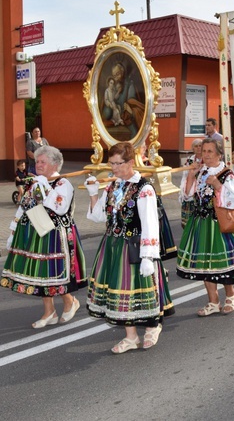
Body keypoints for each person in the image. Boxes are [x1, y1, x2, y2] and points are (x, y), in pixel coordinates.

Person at [85, 142, 174, 353]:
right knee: (121, 290)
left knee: (141, 288)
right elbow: (99, 216)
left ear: (130, 162)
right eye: (111, 163)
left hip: (135, 246)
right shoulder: (112, 186)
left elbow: (151, 224)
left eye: (118, 163)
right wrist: (92, 193)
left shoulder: (144, 189)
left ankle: (152, 326)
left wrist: (148, 256)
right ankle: (131, 336)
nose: (114, 168)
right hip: (113, 245)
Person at [0, 145, 88, 329]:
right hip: (37, 232)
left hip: (57, 235)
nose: (38, 164)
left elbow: (60, 207)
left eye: (43, 162)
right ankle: (49, 312)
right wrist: (13, 232)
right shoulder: (35, 182)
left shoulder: (64, 183)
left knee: (55, 274)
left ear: (54, 164)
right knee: (41, 275)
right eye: (37, 161)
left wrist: (44, 186)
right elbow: (24, 207)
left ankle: (70, 301)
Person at [176, 138, 234, 316]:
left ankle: (231, 294)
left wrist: (218, 186)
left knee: (223, 265)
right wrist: (191, 176)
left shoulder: (226, 174)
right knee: (204, 266)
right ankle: (213, 301)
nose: (206, 155)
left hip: (219, 224)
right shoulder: (200, 172)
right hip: (200, 224)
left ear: (219, 154)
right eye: (204, 151)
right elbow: (187, 196)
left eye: (210, 151)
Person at [180, 139, 203, 227]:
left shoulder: (206, 160)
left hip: (200, 190)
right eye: (196, 146)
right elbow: (185, 175)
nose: (198, 148)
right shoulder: (189, 160)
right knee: (187, 223)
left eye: (200, 146)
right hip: (189, 188)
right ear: (193, 148)